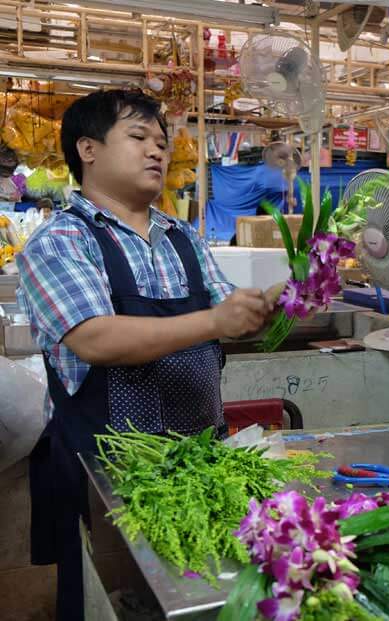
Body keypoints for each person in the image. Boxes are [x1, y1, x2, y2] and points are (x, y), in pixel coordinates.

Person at [16, 90, 277, 620]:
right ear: (87, 149)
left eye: (161, 142)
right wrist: (215, 320)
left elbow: (229, 320)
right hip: (106, 479)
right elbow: (94, 338)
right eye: (138, 138)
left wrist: (274, 304)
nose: (157, 151)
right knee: (109, 602)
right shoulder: (61, 239)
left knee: (200, 596)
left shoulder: (184, 237)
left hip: (199, 468)